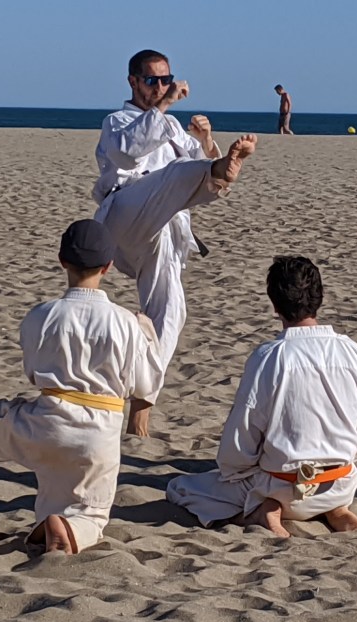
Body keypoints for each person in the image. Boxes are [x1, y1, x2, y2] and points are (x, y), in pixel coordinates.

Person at [0, 220, 163, 554]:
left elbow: (33, 372)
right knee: (92, 513)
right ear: (109, 266)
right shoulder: (126, 322)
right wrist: (146, 332)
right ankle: (68, 528)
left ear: (62, 261)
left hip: (42, 424)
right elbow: (145, 383)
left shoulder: (41, 315)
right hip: (99, 432)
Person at [92, 49, 257, 436]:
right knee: (178, 172)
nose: (160, 87)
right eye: (152, 81)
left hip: (162, 228)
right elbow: (127, 153)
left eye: (166, 80)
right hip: (125, 212)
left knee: (171, 311)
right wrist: (165, 106)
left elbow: (196, 165)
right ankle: (221, 171)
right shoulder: (117, 121)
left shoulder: (170, 127)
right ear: (133, 82)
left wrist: (207, 141)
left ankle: (142, 404)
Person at [167, 256, 357, 537]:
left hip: (281, 485)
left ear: (275, 305)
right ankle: (336, 509)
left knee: (181, 488)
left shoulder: (270, 356)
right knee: (328, 479)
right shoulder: (353, 352)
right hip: (339, 480)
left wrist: (234, 470)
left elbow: (242, 437)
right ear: (319, 298)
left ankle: (264, 512)